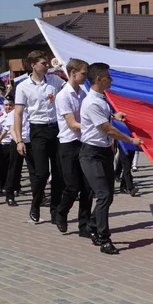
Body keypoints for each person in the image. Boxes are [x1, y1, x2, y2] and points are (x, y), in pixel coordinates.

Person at [80, 62, 143, 254]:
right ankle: (103, 238)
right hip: (92, 154)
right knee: (103, 195)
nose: (111, 79)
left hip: (103, 152)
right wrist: (131, 140)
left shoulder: (101, 99)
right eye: (108, 76)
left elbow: (105, 121)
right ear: (99, 79)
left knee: (108, 196)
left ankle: (92, 226)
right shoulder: (92, 102)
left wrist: (114, 116)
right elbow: (106, 129)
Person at [14, 50, 65, 223]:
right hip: (38, 131)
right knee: (42, 173)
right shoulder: (22, 87)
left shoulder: (55, 80)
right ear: (33, 65)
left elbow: (70, 89)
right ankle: (35, 204)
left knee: (58, 173)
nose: (47, 65)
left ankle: (55, 210)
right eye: (43, 63)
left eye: (47, 62)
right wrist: (19, 140)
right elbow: (19, 114)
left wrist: (66, 69)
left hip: (56, 129)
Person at [54, 59, 94, 236]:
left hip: (84, 142)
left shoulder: (83, 92)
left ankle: (84, 225)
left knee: (87, 186)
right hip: (69, 144)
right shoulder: (63, 96)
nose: (86, 77)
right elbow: (72, 124)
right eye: (83, 73)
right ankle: (61, 213)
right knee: (72, 186)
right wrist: (97, 126)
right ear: (72, 73)